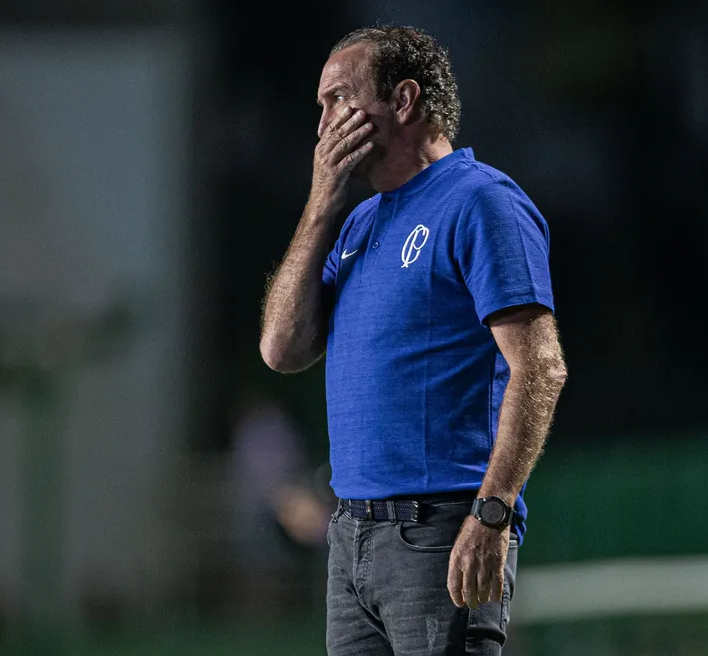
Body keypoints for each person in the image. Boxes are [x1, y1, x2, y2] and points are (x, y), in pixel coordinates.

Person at [259, 23, 567, 655]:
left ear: (402, 101)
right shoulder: (355, 224)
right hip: (350, 539)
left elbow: (540, 367)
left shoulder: (480, 202)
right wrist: (320, 203)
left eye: (338, 100)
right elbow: (281, 349)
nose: (323, 125)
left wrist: (493, 512)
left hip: (441, 531)